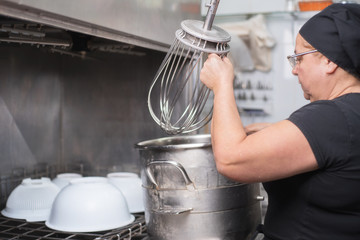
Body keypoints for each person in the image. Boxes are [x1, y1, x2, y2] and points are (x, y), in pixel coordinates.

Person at [200, 3, 360, 240]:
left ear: (329, 61)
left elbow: (230, 159)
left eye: (299, 58)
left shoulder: (331, 117)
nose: (295, 70)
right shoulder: (348, 114)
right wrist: (276, 132)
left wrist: (221, 84)